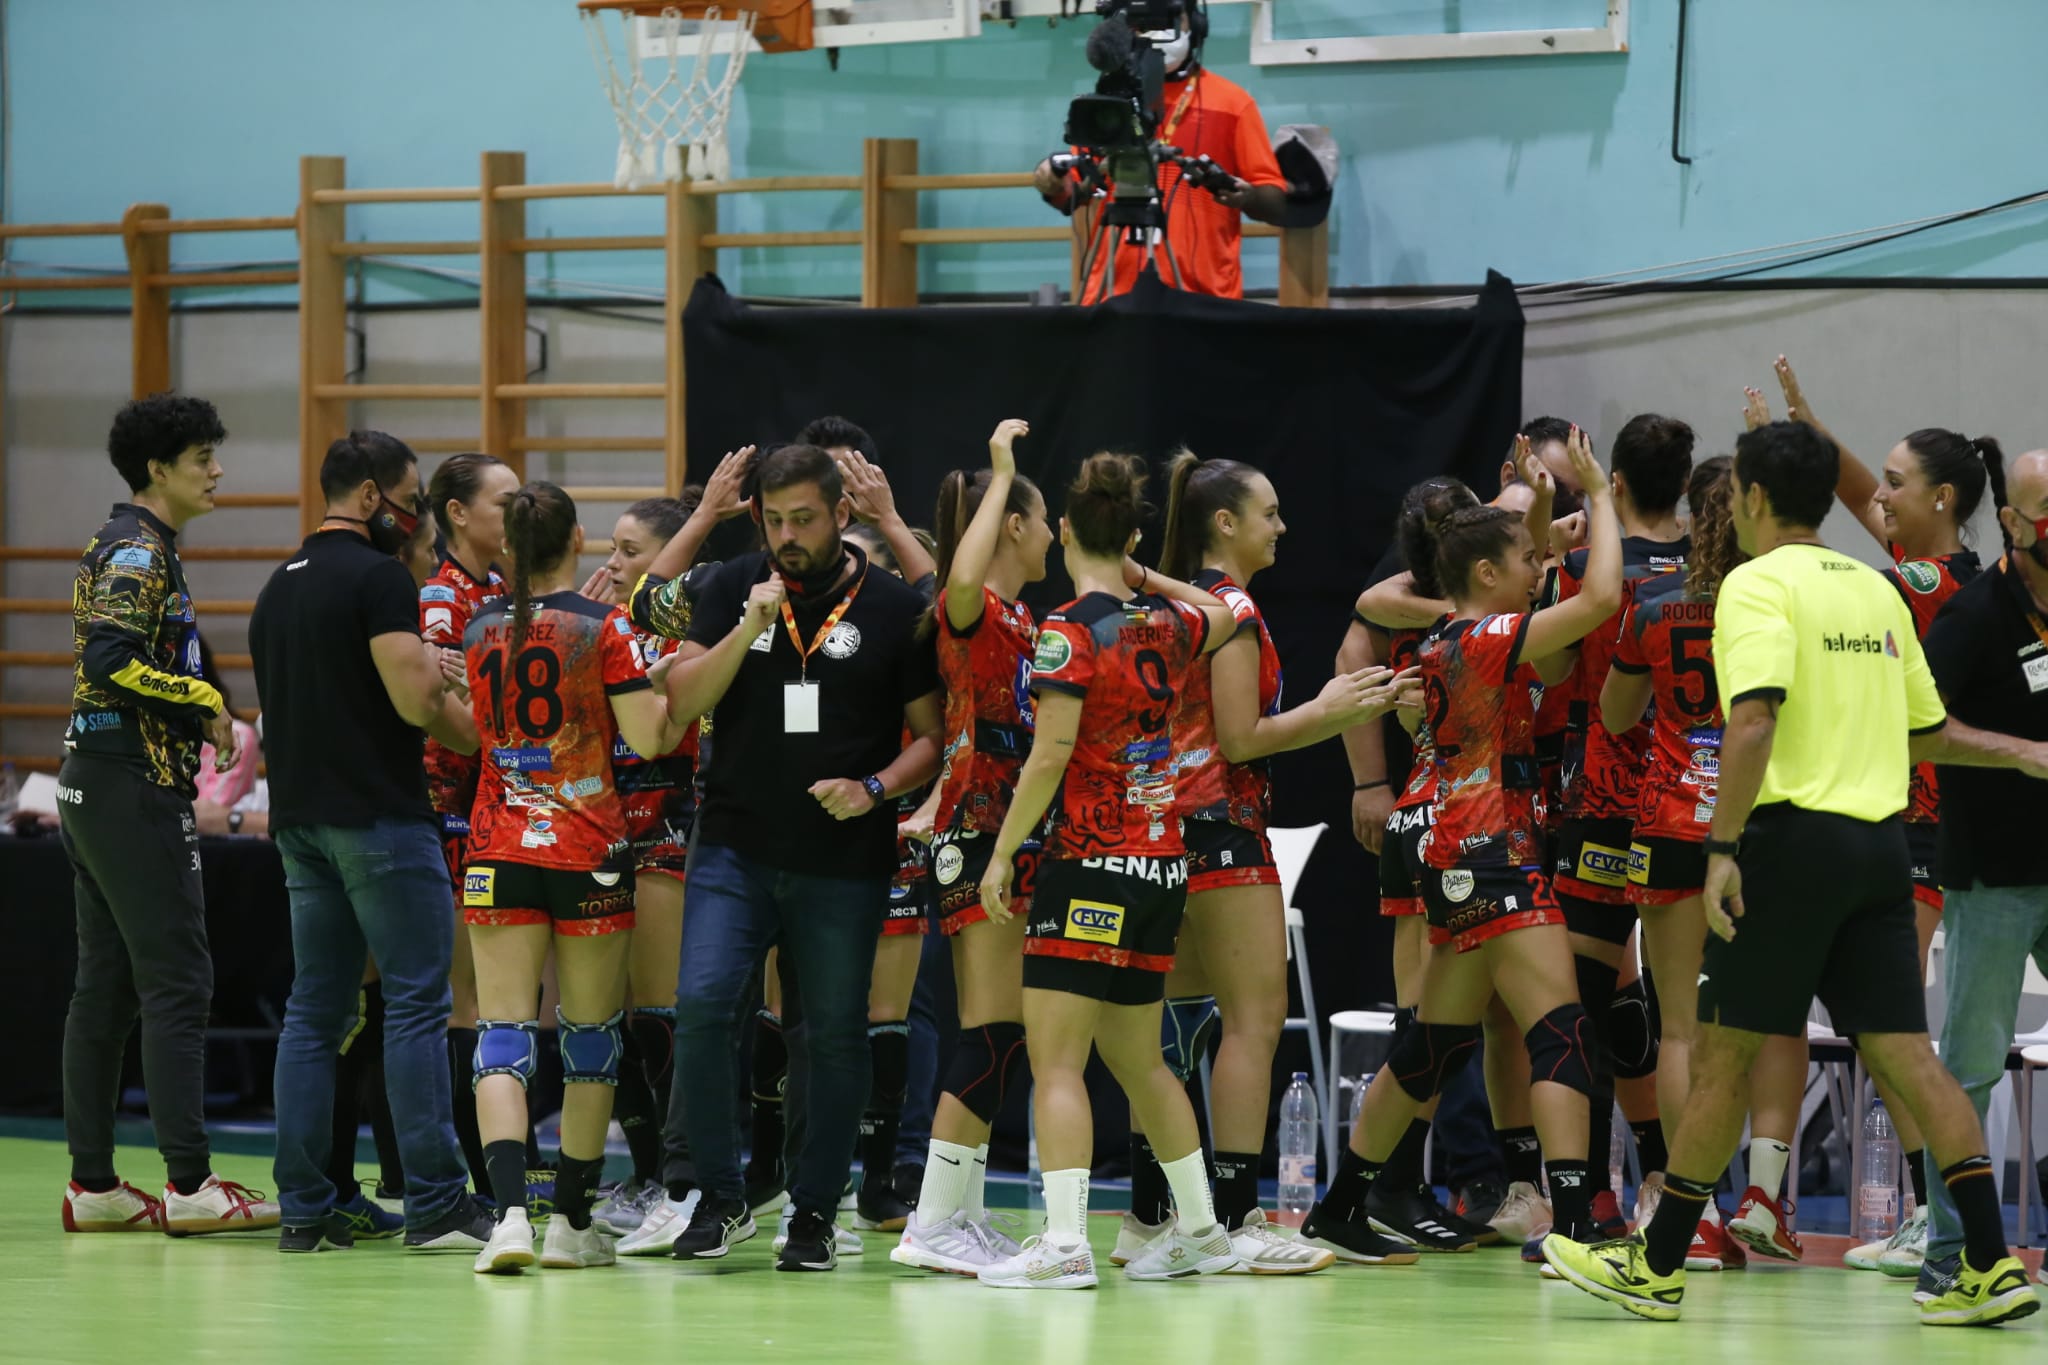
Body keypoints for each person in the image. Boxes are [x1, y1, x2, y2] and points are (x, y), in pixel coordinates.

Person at [1544, 420, 2048, 1328]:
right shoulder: (1875, 587)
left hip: (1788, 846)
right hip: (1880, 852)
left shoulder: (1753, 585)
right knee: (1909, 1055)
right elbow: (1925, 730)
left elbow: (1753, 722)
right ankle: (1987, 1259)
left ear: (1756, 500)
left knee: (1724, 1046)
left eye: (1735, 491)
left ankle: (1657, 1265)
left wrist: (1726, 848)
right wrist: (2017, 747)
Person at [1302, 426, 1621, 1264]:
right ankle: (1581, 1221)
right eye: (1523, 560)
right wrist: (1607, 498)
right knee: (1559, 1029)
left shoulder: (1448, 638)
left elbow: (1547, 609)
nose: (1537, 568)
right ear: (1486, 575)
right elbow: (1597, 604)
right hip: (1492, 853)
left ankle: (1338, 1206)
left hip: (1452, 854)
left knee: (1431, 1046)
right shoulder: (1482, 637)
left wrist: (1545, 513)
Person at [1113, 449, 1406, 1272]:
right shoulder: (1230, 608)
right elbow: (1241, 738)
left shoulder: (1184, 607)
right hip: (1224, 828)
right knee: (1252, 1021)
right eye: (1269, 512)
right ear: (1225, 522)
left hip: (1164, 828)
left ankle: (1150, 1217)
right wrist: (1328, 709)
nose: (1283, 525)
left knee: (1173, 1028)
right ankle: (1238, 1220)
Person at [655, 443, 944, 1272]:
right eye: (773, 520)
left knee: (835, 1035)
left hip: (843, 857)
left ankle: (814, 1212)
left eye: (803, 519)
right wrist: (747, 625)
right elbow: (679, 701)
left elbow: (931, 736)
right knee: (705, 1007)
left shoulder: (891, 608)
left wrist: (875, 786)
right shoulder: (727, 589)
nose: (787, 535)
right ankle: (719, 1196)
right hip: (734, 848)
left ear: (840, 515)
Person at [970, 452, 1247, 1289]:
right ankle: (1201, 1229)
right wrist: (1150, 572)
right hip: (1162, 866)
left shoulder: (1067, 629)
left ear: (1061, 532)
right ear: (1128, 532)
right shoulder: (1166, 625)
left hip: (1088, 864)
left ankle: (1062, 1244)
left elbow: (1049, 754)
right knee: (1141, 1059)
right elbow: (1230, 609)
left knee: (1057, 1061)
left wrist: (1003, 849)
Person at [1765, 358, 2003, 1276]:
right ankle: (1923, 1209)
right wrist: (1812, 430)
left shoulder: (1933, 586)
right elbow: (1865, 499)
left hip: (1927, 833)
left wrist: (1809, 447)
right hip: (1907, 830)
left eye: (1900, 485)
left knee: (1892, 1033)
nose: (1880, 499)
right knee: (1881, 1028)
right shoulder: (1940, 568)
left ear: (1942, 500)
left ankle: (1932, 1215)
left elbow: (1859, 508)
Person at [252, 431, 493, 1254]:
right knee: (418, 1003)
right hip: (381, 821)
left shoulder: (276, 587)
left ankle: (305, 1207)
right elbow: (418, 702)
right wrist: (466, 712)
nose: (416, 517)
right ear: (369, 498)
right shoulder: (382, 577)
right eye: (410, 499)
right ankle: (435, 1200)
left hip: (299, 825)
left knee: (314, 1013)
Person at [57, 393, 279, 1237]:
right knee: (178, 978)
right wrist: (204, 701)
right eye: (201, 459)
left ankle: (94, 1186)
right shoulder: (138, 552)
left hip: (97, 782)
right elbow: (111, 661)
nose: (217, 470)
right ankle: (190, 1186)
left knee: (107, 986)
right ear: (159, 469)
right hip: (129, 789)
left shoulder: (137, 545)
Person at [457, 482, 690, 1274]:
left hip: (497, 847)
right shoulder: (607, 628)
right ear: (579, 539)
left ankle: (509, 1218)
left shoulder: (480, 625)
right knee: (593, 1037)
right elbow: (650, 739)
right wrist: (688, 677)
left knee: (501, 1037)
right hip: (588, 848)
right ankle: (571, 1226)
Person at [891, 419, 1053, 1274]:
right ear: (1014, 525)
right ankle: (931, 1223)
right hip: (978, 833)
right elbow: (956, 579)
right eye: (1042, 514)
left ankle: (963, 1210)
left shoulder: (1022, 620)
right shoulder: (977, 607)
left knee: (1002, 1033)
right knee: (991, 1031)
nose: (1056, 530)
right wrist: (1001, 475)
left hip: (1003, 832)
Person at [1544, 414, 1693, 1243]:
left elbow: (1552, 667)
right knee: (1679, 1014)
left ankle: (1594, 1199)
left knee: (1587, 1005)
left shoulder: (1582, 566)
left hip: (1601, 797)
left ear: (1618, 482)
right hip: (1688, 802)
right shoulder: (1717, 573)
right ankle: (1681, 1199)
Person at [1598, 456, 1745, 1251]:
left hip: (1664, 822)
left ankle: (1697, 1217)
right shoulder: (1769, 600)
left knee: (1679, 1029)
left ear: (1691, 516)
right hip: (1749, 830)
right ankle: (1757, 1201)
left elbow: (1617, 713)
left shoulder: (1652, 602)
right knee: (1748, 1030)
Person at [1916, 449, 2048, 1301]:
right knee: (1968, 1065)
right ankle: (1951, 1254)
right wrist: (2020, 754)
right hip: (1992, 878)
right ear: (2013, 523)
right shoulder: (1971, 615)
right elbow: (1914, 726)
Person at [416, 452, 520, 1202]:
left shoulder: (500, 587)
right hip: (446, 808)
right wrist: (503, 740)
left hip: (491, 805)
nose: (517, 512)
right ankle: (479, 1178)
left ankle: (504, 1161)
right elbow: (446, 702)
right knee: (466, 999)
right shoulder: (443, 597)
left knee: (502, 999)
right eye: (503, 499)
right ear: (458, 512)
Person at [1032, 0, 1287, 303]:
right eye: (1141, 24)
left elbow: (1276, 202)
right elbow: (1071, 195)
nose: (1155, 32)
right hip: (1113, 295)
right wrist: (1049, 181)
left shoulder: (1233, 104)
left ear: (1195, 24)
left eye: (1167, 18)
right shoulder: (1108, 103)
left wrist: (1250, 196)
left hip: (1203, 297)